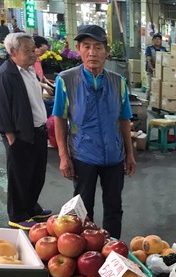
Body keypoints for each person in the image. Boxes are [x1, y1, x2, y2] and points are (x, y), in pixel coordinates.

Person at [52, 25, 135, 239]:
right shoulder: (66, 80)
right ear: (78, 49)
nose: (92, 52)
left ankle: (112, 248)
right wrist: (63, 156)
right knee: (82, 210)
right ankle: (84, 251)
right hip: (83, 156)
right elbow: (59, 120)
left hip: (114, 156)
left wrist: (130, 154)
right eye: (86, 46)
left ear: (106, 52)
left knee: (114, 208)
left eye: (98, 47)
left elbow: (124, 119)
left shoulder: (118, 82)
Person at [0, 33, 51, 230]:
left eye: (33, 50)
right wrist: (10, 135)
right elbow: (2, 108)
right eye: (27, 51)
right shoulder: (6, 74)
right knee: (20, 175)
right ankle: (17, 214)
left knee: (37, 173)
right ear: (13, 52)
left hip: (38, 131)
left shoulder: (29, 71)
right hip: (20, 134)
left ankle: (31, 207)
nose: (33, 54)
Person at [145, 33, 166, 103]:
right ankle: (146, 102)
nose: (157, 41)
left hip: (161, 72)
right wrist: (152, 69)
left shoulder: (163, 49)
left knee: (160, 88)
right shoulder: (149, 49)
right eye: (156, 39)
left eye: (159, 39)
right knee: (150, 88)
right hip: (151, 71)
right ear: (153, 40)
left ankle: (157, 104)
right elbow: (148, 59)